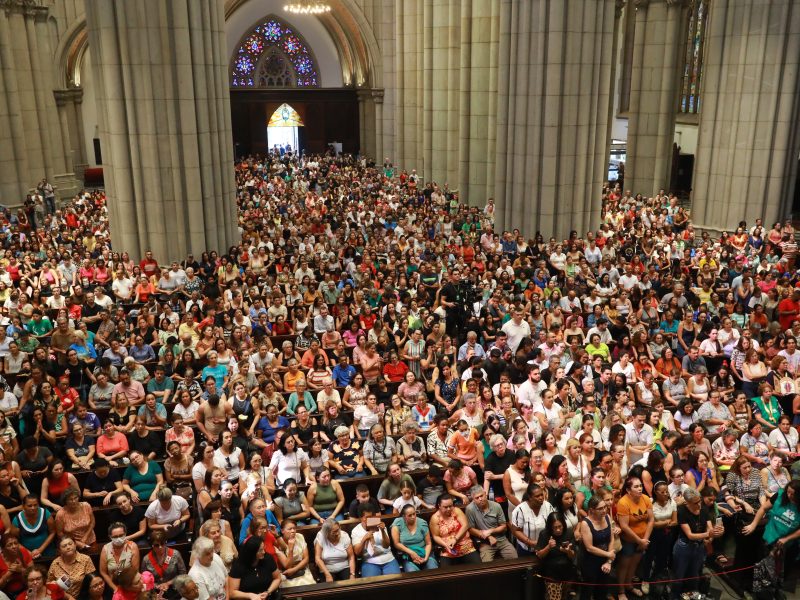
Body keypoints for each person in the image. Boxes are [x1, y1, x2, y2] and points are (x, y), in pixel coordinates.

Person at [671, 487, 719, 599]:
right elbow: (690, 535)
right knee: (680, 574)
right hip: (684, 546)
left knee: (695, 573)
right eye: (695, 503)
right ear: (687, 502)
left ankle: (692, 594)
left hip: (699, 546)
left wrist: (711, 536)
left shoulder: (704, 508)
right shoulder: (682, 511)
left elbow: (709, 527)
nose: (699, 505)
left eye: (700, 501)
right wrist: (708, 535)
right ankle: (675, 596)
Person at [615, 476, 653, 600]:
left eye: (640, 485)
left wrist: (645, 540)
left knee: (634, 565)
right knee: (624, 565)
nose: (640, 488)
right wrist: (639, 540)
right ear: (628, 489)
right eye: (636, 486)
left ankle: (629, 585)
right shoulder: (623, 502)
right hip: (629, 541)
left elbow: (651, 519)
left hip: (642, 540)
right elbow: (624, 526)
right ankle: (621, 591)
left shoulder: (646, 498)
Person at [465, 485, 518, 561]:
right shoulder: (470, 509)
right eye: (477, 498)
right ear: (473, 499)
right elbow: (471, 529)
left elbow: (503, 526)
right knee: (486, 565)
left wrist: (490, 531)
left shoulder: (496, 506)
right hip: (485, 542)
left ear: (485, 494)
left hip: (501, 539)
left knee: (515, 559)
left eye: (481, 496)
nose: (480, 499)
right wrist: (488, 536)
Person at [578, 495, 615, 600]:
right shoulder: (586, 523)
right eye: (600, 508)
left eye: (605, 507)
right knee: (587, 591)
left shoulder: (607, 517)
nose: (604, 510)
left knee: (602, 590)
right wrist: (609, 554)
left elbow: (611, 539)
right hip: (590, 561)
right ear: (591, 510)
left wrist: (608, 561)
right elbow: (589, 547)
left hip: (605, 560)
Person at [351, 503, 402, 576]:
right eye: (367, 517)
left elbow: (386, 545)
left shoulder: (379, 524)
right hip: (370, 561)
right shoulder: (356, 530)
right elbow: (357, 552)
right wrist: (364, 539)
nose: (369, 519)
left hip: (388, 558)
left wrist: (383, 531)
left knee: (395, 582)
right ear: (361, 518)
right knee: (371, 584)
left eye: (371, 517)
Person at [429, 493, 480, 565]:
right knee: (445, 573)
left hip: (466, 547)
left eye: (450, 506)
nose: (449, 509)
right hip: (448, 550)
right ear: (439, 506)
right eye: (445, 507)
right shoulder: (435, 518)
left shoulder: (456, 510)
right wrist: (445, 545)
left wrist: (455, 539)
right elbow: (435, 536)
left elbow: (465, 525)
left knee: (479, 567)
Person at [535, 512, 575, 600]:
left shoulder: (569, 532)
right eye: (555, 527)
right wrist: (548, 547)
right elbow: (539, 555)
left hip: (567, 573)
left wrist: (568, 551)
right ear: (550, 527)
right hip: (552, 575)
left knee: (565, 597)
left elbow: (573, 556)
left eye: (560, 526)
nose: (558, 530)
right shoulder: (544, 534)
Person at [509, 482, 554, 557]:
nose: (541, 498)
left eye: (541, 494)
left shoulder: (548, 506)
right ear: (530, 497)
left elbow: (553, 524)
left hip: (545, 548)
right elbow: (516, 531)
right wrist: (531, 542)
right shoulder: (520, 510)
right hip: (526, 550)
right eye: (537, 496)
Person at [390, 503, 439, 572]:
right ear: (404, 516)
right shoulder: (398, 523)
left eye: (414, 514)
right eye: (410, 515)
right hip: (408, 556)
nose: (413, 517)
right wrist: (411, 553)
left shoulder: (422, 523)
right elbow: (396, 543)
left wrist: (425, 558)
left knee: (433, 568)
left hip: (424, 553)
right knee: (411, 571)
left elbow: (428, 543)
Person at [141, 530, 188, 597]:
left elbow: (183, 574)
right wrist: (157, 586)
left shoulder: (175, 554)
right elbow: (144, 580)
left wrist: (168, 583)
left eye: (162, 543)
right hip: (154, 591)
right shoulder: (146, 559)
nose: (160, 547)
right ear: (152, 545)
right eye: (156, 545)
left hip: (174, 589)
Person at [99, 522, 140, 592]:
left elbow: (135, 570)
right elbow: (103, 572)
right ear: (110, 537)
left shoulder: (132, 546)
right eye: (115, 537)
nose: (118, 539)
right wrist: (115, 588)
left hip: (130, 584)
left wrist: (126, 588)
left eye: (121, 535)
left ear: (125, 534)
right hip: (112, 585)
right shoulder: (105, 548)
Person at [275, 519, 316, 587]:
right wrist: (290, 549)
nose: (293, 531)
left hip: (302, 568)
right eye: (290, 529)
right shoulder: (278, 543)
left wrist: (294, 569)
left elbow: (306, 559)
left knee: (310, 587)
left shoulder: (299, 536)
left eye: (294, 528)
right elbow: (286, 566)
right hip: (286, 573)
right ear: (282, 531)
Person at [13, 495, 55, 559]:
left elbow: (53, 532)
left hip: (48, 552)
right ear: (23, 506)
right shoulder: (17, 520)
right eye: (29, 506)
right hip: (27, 555)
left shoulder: (46, 513)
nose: (33, 508)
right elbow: (15, 540)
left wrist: (40, 550)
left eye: (35, 505)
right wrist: (28, 552)